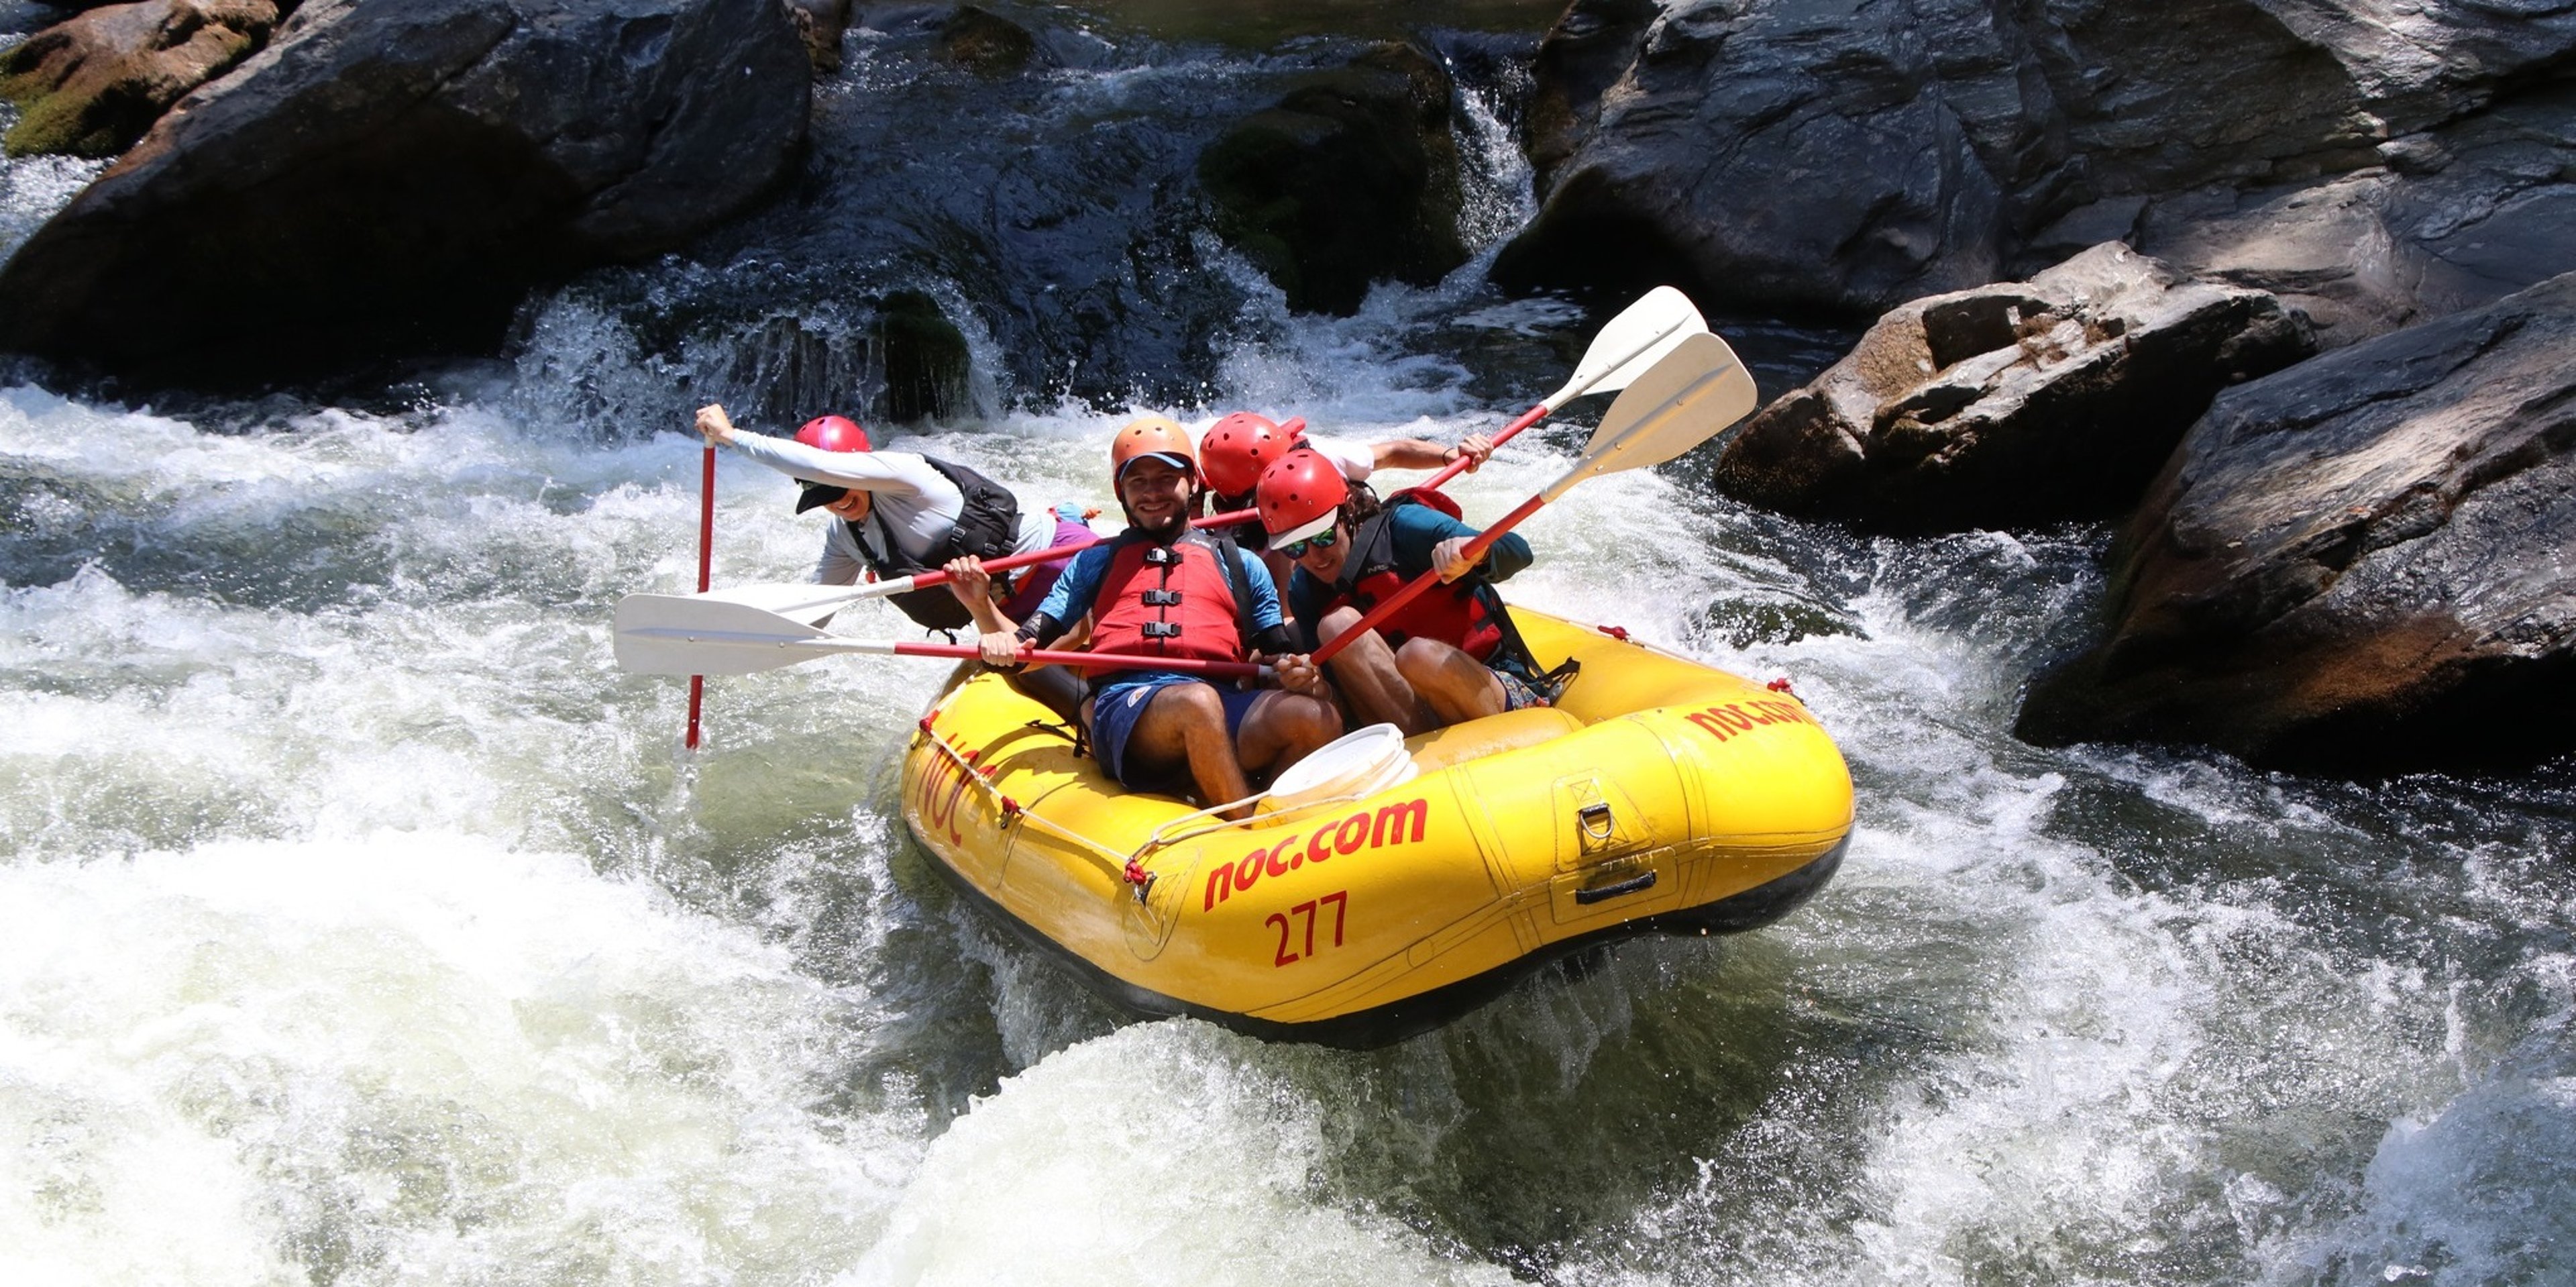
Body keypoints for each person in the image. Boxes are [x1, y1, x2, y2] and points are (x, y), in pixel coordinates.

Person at [970, 416, 1341, 819]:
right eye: (1138, 482)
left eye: (1166, 478)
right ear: (1121, 492)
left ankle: (1262, 805)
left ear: (1193, 482)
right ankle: (1252, 837)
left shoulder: (1240, 563)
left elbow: (1276, 653)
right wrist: (999, 638)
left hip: (1221, 704)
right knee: (1197, 704)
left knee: (1313, 716)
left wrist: (1299, 673)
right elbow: (1032, 640)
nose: (1153, 493)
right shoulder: (1096, 561)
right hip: (1128, 715)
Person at [693, 403, 1092, 631]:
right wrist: (735, 635)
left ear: (857, 469)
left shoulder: (906, 475)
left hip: (1060, 563)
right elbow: (816, 609)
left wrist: (732, 437)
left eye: (836, 488)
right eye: (821, 498)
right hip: (1009, 613)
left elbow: (817, 465)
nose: (835, 503)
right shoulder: (847, 538)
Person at [1256, 448, 1568, 736]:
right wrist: (1316, 688)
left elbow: (1518, 551)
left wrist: (1475, 553)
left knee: (1418, 656)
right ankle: (1426, 760)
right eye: (1296, 547)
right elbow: (1343, 701)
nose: (1314, 556)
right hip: (1411, 720)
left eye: (1323, 536)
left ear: (1348, 509)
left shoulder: (1405, 527)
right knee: (1336, 625)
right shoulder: (1305, 591)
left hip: (1489, 682)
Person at [1196, 411, 1496, 584]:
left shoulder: (1318, 457)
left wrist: (1450, 456)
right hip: (1302, 591)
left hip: (1355, 558)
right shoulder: (1226, 528)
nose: (1292, 474)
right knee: (1284, 549)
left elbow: (1391, 453)